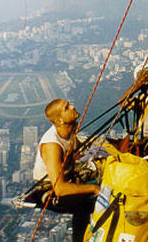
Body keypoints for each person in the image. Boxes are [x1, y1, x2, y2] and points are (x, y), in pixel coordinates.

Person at [33, 99, 99, 242]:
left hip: (65, 181)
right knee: (86, 204)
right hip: (49, 191)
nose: (72, 107)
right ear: (59, 121)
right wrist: (93, 188)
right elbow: (60, 189)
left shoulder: (69, 130)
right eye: (66, 108)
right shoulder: (52, 145)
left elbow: (76, 146)